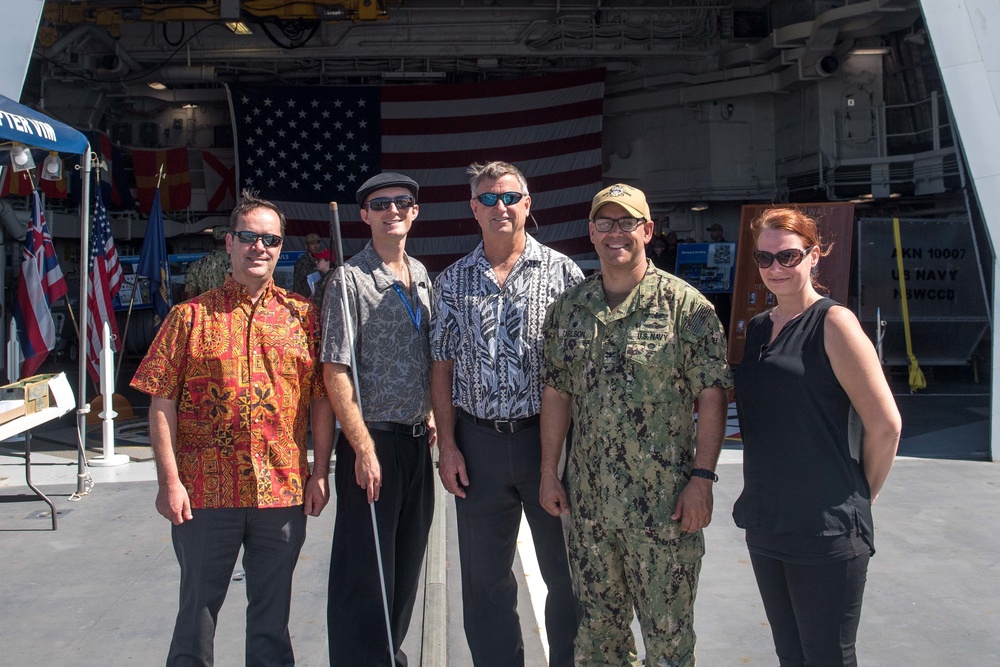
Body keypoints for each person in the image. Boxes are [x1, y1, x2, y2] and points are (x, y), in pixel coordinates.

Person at [131, 191, 334, 667]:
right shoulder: (189, 318)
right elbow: (161, 404)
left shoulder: (305, 318)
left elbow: (322, 401)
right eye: (249, 237)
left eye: (271, 239)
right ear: (229, 243)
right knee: (196, 616)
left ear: (281, 247)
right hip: (204, 494)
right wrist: (168, 482)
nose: (259, 247)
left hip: (280, 492)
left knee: (272, 618)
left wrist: (319, 471)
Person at [539, 183, 732, 666]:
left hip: (664, 512)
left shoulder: (687, 308)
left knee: (667, 642)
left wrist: (703, 480)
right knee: (599, 640)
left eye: (627, 222)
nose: (615, 233)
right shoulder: (569, 310)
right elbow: (558, 391)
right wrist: (548, 470)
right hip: (591, 510)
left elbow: (712, 395)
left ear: (648, 230)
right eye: (604, 222)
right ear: (591, 231)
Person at [732, 207, 901, 667]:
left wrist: (860, 493)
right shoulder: (761, 328)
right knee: (791, 655)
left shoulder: (834, 324)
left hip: (825, 530)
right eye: (764, 259)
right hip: (769, 524)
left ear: (814, 256)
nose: (775, 269)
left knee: (826, 657)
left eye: (788, 256)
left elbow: (886, 424)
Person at [431, 160, 582, 667]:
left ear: (527, 204)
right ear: (474, 208)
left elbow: (579, 369)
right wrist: (448, 446)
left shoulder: (565, 274)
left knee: (567, 574)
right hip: (479, 446)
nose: (501, 207)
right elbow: (442, 369)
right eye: (489, 199)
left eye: (510, 197)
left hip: (550, 443)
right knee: (484, 581)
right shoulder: (451, 282)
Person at [321, 172, 435, 667]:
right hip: (374, 444)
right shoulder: (348, 280)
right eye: (381, 203)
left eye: (402, 202)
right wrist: (362, 447)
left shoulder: (424, 275)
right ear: (364, 215)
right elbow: (335, 370)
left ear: (414, 211)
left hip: (415, 442)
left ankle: (390, 655)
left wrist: (430, 411)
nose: (393, 210)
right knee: (364, 573)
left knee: (406, 565)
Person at [183, 227, 231, 299]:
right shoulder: (239, 263)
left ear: (212, 242)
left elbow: (189, 299)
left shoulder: (196, 266)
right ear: (229, 241)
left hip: (206, 309)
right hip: (234, 309)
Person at [293, 232, 325, 297]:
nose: (316, 246)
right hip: (307, 300)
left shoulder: (324, 260)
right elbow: (297, 286)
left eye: (317, 243)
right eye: (312, 244)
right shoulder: (301, 263)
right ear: (306, 246)